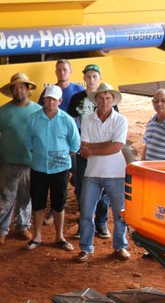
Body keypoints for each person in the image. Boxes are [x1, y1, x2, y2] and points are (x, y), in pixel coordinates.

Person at [76, 83, 130, 262]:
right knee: (86, 213)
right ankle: (86, 248)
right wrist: (106, 144)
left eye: (108, 98)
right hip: (92, 173)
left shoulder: (120, 120)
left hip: (116, 174)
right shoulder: (87, 119)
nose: (104, 101)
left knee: (119, 213)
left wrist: (93, 148)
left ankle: (120, 246)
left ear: (113, 100)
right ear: (96, 100)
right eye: (101, 97)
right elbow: (84, 146)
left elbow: (116, 147)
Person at [24, 85, 80, 252]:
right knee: (38, 202)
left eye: (54, 99)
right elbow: (28, 142)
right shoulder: (33, 119)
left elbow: (75, 144)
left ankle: (59, 236)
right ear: (44, 100)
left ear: (60, 101)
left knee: (59, 203)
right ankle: (37, 236)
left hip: (60, 169)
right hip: (39, 168)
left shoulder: (67, 120)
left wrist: (61, 157)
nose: (51, 102)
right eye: (48, 98)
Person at [0, 72, 41, 245]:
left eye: (21, 87)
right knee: (5, 196)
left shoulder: (38, 111)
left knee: (26, 197)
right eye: (15, 88)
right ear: (12, 91)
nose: (18, 91)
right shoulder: (2, 112)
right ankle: (1, 229)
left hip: (31, 163)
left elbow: (43, 136)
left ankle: (23, 226)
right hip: (7, 162)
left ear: (27, 89)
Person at [67, 64, 112, 239]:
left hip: (102, 151)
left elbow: (113, 124)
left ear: (99, 78)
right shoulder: (77, 98)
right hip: (82, 150)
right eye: (88, 76)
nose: (91, 79)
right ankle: (84, 223)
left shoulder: (108, 97)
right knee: (82, 186)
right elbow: (71, 123)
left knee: (103, 186)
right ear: (84, 78)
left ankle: (101, 222)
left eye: (95, 76)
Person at [37, 59, 84, 225]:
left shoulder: (79, 91)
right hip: (53, 142)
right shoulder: (49, 92)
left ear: (70, 71)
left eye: (65, 69)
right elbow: (39, 113)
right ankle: (53, 210)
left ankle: (82, 210)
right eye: (59, 70)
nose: (62, 72)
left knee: (78, 176)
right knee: (54, 178)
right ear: (56, 72)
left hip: (73, 139)